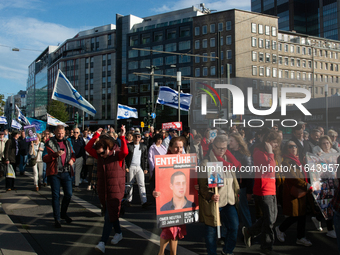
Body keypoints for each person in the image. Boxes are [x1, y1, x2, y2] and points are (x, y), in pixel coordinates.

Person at [85, 125, 128, 254]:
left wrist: (122, 135)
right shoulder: (100, 156)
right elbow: (87, 148)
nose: (101, 155)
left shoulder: (118, 155)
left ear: (108, 148)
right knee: (112, 215)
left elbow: (125, 152)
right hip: (104, 190)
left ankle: (102, 242)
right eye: (99, 154)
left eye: (103, 152)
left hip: (116, 190)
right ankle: (119, 233)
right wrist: (96, 136)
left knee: (108, 216)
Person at [199, 134, 241, 255]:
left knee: (234, 226)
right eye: (219, 148)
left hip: (229, 201)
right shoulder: (206, 163)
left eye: (224, 148)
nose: (222, 151)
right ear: (213, 146)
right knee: (211, 232)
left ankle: (227, 251)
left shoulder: (229, 159)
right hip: (214, 202)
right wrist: (210, 195)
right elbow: (202, 187)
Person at [243, 130, 281, 255]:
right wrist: (270, 152)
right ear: (267, 141)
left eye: (277, 143)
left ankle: (250, 232)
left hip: (271, 189)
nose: (275, 145)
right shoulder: (259, 153)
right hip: (263, 190)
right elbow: (270, 170)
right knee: (269, 220)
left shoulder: (268, 153)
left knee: (270, 219)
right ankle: (266, 247)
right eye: (274, 142)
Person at [153, 136, 188, 255]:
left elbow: (189, 179)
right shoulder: (163, 161)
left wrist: (194, 187)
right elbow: (157, 180)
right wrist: (155, 191)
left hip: (180, 200)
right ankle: (161, 252)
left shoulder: (185, 161)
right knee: (170, 228)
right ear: (170, 148)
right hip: (167, 200)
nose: (179, 150)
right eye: (176, 147)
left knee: (176, 228)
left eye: (181, 147)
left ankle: (169, 253)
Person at [275, 141, 313, 246]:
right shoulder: (286, 162)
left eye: (295, 146)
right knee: (295, 215)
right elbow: (293, 178)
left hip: (302, 191)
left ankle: (300, 237)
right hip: (294, 192)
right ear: (286, 149)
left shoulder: (298, 160)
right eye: (290, 146)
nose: (293, 148)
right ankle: (280, 229)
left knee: (302, 215)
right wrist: (306, 185)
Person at [43, 125, 76, 228]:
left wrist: (72, 160)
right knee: (56, 196)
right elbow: (44, 158)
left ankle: (63, 213)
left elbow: (73, 154)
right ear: (55, 132)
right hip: (55, 172)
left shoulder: (67, 142)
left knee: (69, 194)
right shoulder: (49, 143)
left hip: (66, 171)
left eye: (62, 133)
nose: (60, 135)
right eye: (58, 133)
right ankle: (57, 218)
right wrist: (55, 155)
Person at [311, 135, 337, 238]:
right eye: (323, 143)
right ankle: (330, 229)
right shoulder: (317, 154)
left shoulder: (335, 153)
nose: (326, 145)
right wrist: (317, 158)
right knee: (327, 205)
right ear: (320, 144)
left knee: (333, 205)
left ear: (330, 143)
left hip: (334, 182)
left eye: (327, 143)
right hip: (324, 183)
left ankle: (317, 218)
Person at [228, 132, 253, 229]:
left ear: (238, 142)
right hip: (230, 185)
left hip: (241, 186)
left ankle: (249, 231)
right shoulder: (228, 152)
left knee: (243, 210)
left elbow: (249, 173)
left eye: (231, 141)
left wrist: (249, 190)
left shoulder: (244, 154)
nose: (229, 142)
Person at [125, 131, 151, 208]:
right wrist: (126, 167)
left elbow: (145, 158)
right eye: (135, 136)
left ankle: (144, 201)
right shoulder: (128, 146)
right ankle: (128, 200)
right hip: (131, 167)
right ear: (133, 137)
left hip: (139, 167)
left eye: (138, 136)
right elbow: (125, 158)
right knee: (129, 184)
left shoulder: (143, 146)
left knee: (142, 184)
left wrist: (145, 168)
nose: (137, 138)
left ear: (140, 138)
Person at [148, 134, 167, 199]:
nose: (159, 141)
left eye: (161, 139)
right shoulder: (152, 147)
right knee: (156, 184)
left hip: (164, 168)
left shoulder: (163, 147)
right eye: (158, 139)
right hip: (156, 168)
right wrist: (152, 168)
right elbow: (150, 159)